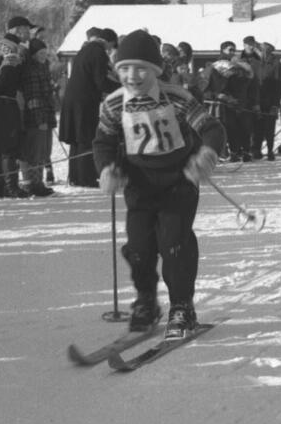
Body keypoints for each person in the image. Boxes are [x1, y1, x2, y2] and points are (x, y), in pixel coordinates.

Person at [93, 29, 225, 340]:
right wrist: (107, 168)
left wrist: (207, 154)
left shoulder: (176, 97)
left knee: (174, 243)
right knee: (139, 248)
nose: (132, 76)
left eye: (140, 68)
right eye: (124, 69)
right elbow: (103, 142)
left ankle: (182, 306)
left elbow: (211, 128)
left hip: (179, 180)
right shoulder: (113, 105)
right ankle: (146, 301)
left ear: (155, 70)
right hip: (139, 184)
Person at [58, 26, 116, 188]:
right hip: (84, 101)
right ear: (109, 42)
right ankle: (86, 177)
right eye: (111, 46)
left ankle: (75, 176)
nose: (110, 50)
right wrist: (120, 88)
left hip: (73, 99)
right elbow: (100, 81)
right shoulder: (98, 52)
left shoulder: (86, 49)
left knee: (77, 140)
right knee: (85, 138)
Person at [0, 16, 32, 197]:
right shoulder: (9, 49)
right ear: (16, 30)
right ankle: (10, 187)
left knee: (3, 146)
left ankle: (0, 188)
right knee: (8, 145)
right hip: (4, 100)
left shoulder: (9, 47)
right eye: (26, 29)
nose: (28, 33)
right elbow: (4, 79)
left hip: (2, 100)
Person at [18, 37, 56, 196]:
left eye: (45, 53)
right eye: (40, 53)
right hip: (36, 115)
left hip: (46, 112)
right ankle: (32, 184)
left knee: (43, 151)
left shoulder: (43, 67)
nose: (44, 56)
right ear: (33, 54)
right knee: (35, 151)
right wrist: (40, 119)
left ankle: (38, 182)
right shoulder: (32, 70)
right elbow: (33, 96)